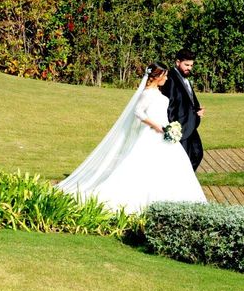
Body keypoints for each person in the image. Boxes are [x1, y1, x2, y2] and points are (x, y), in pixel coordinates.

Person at [58, 63, 206, 213]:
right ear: (158, 76)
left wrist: (170, 128)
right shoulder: (147, 93)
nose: (167, 79)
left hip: (164, 132)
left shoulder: (158, 92)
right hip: (153, 133)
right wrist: (155, 126)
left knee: (176, 165)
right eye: (165, 75)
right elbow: (138, 112)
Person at [160, 49, 205, 171]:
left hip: (190, 125)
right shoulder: (170, 79)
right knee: (183, 160)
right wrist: (173, 129)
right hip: (179, 128)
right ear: (177, 62)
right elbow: (169, 106)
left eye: (191, 65)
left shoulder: (185, 78)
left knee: (197, 154)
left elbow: (188, 100)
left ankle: (186, 182)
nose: (189, 68)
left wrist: (197, 110)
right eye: (186, 65)